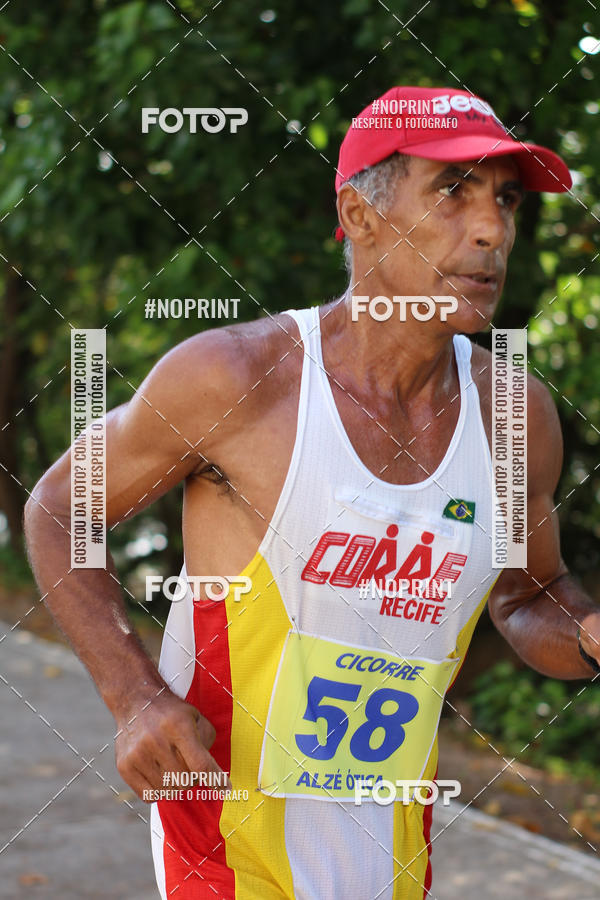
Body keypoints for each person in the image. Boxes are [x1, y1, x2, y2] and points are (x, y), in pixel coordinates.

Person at [25, 85, 600, 900]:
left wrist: (587, 632)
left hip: (394, 855)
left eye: (505, 200)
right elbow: (61, 506)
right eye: (453, 191)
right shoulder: (239, 377)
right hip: (227, 845)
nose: (492, 230)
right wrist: (134, 696)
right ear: (360, 215)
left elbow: (528, 595)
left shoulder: (515, 414)